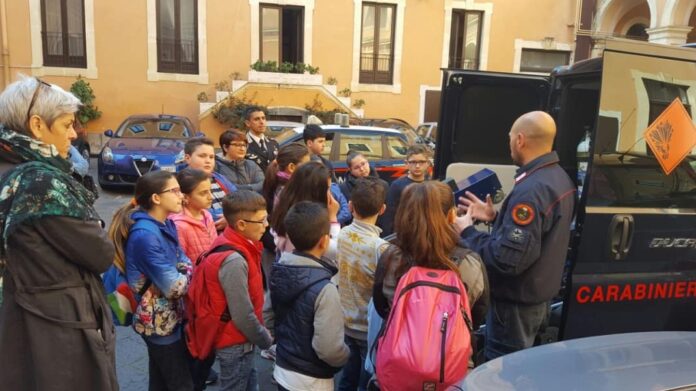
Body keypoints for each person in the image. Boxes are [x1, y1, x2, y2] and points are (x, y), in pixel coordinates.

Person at [0, 76, 118, 390]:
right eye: (66, 124)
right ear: (37, 125)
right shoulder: (40, 182)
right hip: (57, 324)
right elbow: (101, 253)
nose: (73, 134)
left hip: (23, 316)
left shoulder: (8, 164)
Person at [455, 111, 575, 361]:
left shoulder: (532, 189)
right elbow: (538, 233)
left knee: (503, 374)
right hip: (537, 300)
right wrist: (496, 217)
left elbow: (506, 260)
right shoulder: (557, 177)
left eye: (509, 137)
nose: (509, 143)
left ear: (520, 139)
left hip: (515, 310)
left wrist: (466, 231)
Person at [111, 170, 193, 391]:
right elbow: (174, 287)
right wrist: (187, 271)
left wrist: (183, 269)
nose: (181, 195)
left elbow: (182, 261)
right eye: (174, 191)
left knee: (160, 379)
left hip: (166, 317)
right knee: (180, 382)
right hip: (158, 322)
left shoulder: (165, 224)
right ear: (156, 198)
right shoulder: (146, 235)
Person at [373, 181, 489, 333]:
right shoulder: (468, 262)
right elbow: (477, 314)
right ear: (452, 215)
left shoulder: (390, 256)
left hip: (398, 348)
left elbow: (381, 307)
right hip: (450, 350)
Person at [195, 190, 273, 390]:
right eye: (262, 221)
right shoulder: (235, 260)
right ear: (241, 224)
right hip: (235, 342)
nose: (266, 225)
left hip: (239, 339)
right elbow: (242, 313)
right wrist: (264, 338)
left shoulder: (235, 243)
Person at [271, 201, 350, 391]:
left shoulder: (277, 270)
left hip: (282, 369)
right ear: (324, 241)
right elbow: (328, 349)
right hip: (313, 380)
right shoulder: (325, 288)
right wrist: (345, 354)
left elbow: (267, 315)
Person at [336, 178, 388, 391]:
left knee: (347, 376)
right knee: (365, 380)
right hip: (369, 328)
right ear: (383, 209)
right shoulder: (381, 248)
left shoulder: (343, 234)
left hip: (346, 320)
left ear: (350, 206)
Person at [270, 161, 340, 260]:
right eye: (327, 189)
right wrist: (333, 218)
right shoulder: (307, 219)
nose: (330, 193)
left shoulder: (286, 203)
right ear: (316, 192)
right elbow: (337, 251)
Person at [183, 137, 237, 231]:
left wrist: (232, 217)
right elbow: (203, 213)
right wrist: (233, 217)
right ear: (188, 158)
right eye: (202, 156)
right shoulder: (182, 182)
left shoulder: (219, 178)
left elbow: (239, 199)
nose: (208, 161)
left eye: (211, 157)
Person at [301, 124, 350, 225]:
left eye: (324, 141)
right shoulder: (301, 164)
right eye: (320, 141)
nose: (324, 145)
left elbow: (336, 188)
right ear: (309, 143)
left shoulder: (327, 163)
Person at [380, 144, 431, 237]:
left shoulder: (431, 185)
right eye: (413, 162)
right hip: (403, 236)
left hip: (426, 235)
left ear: (427, 163)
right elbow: (389, 216)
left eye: (422, 162)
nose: (418, 166)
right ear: (406, 163)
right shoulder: (397, 185)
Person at [170, 168, 217, 264]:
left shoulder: (207, 215)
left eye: (210, 191)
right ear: (186, 197)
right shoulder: (179, 226)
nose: (211, 197)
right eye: (203, 193)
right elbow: (180, 263)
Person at [244, 106, 279, 173]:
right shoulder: (243, 144)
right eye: (257, 119)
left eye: (263, 118)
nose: (262, 122)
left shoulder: (274, 143)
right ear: (248, 123)